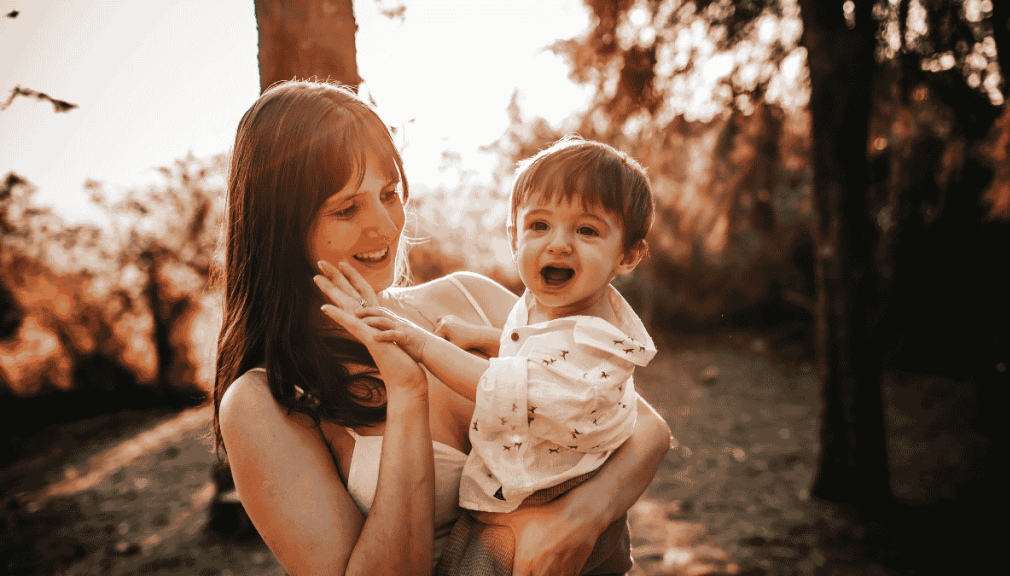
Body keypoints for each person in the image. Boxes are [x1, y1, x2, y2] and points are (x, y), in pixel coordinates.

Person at [212, 79, 672, 576]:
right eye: (347, 208)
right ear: (280, 225)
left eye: (389, 194)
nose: (385, 226)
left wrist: (575, 521)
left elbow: (645, 427)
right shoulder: (264, 401)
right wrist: (407, 391)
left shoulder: (470, 299)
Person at [350, 136, 658, 575]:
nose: (558, 244)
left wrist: (420, 342)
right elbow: (539, 353)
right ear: (513, 234)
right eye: (539, 225)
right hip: (536, 488)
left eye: (586, 230)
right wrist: (481, 334)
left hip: (551, 494)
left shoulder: (600, 336)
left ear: (627, 255)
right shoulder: (555, 308)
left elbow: (507, 386)